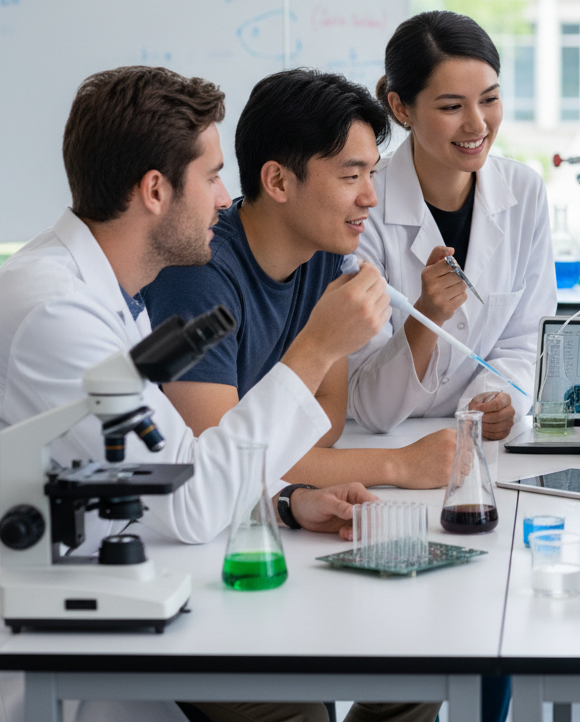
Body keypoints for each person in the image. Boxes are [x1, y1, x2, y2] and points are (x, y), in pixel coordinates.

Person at [0, 66, 430, 722]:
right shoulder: (55, 312)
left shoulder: (112, 298)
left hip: (130, 574)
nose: (226, 199)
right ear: (154, 191)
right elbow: (192, 500)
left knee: (410, 669)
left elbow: (172, 469)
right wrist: (315, 348)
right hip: (60, 616)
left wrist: (287, 505)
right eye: (211, 177)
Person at [143, 68, 456, 491]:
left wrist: (276, 445)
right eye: (351, 176)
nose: (370, 198)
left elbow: (327, 419)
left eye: (372, 174)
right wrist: (397, 466)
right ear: (277, 181)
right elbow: (220, 466)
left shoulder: (326, 255)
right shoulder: (197, 274)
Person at [347, 10, 557, 442]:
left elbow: (525, 342)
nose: (477, 124)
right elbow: (368, 402)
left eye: (489, 99)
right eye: (451, 106)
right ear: (401, 107)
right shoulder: (362, 206)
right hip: (378, 445)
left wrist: (497, 400)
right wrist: (428, 313)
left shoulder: (524, 191)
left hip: (482, 444)